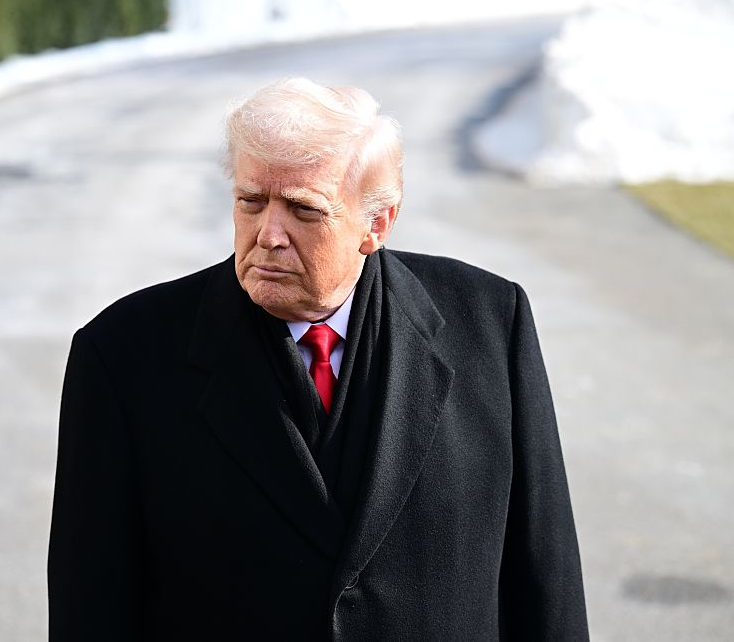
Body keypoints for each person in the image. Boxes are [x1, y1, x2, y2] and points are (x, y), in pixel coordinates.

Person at [47, 77, 589, 641]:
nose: (269, 235)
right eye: (251, 202)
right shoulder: (123, 354)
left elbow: (545, 574)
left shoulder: (491, 323)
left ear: (377, 223)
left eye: (303, 210)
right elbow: (89, 606)